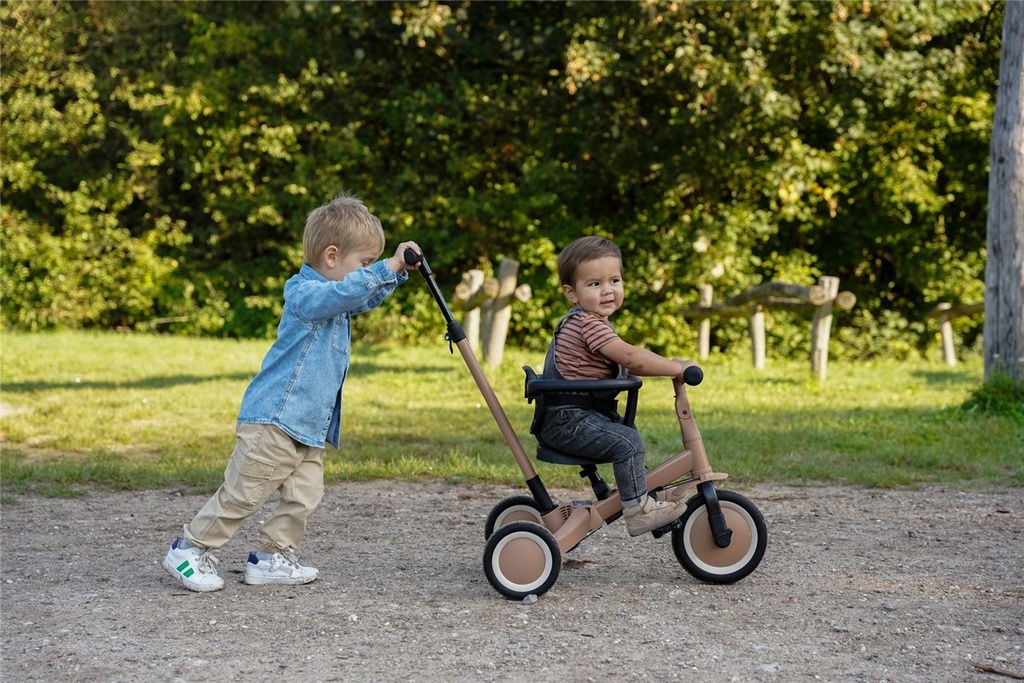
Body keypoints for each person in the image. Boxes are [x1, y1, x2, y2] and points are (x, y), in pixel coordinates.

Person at [163, 192, 420, 592]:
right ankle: (190, 549)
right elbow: (347, 293)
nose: (368, 271)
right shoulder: (306, 295)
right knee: (243, 495)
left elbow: (362, 296)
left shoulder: (337, 301)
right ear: (331, 257)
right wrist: (387, 267)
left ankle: (271, 557)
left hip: (307, 426)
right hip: (274, 421)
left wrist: (396, 272)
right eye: (364, 263)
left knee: (304, 497)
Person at [538, 236, 690, 537]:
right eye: (594, 284)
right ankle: (638, 510)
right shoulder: (588, 324)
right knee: (627, 443)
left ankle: (644, 495)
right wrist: (677, 368)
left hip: (572, 417)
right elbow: (633, 357)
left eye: (614, 280)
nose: (608, 290)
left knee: (627, 437)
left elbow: (628, 360)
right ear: (572, 293)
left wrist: (669, 363)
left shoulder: (591, 322)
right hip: (568, 421)